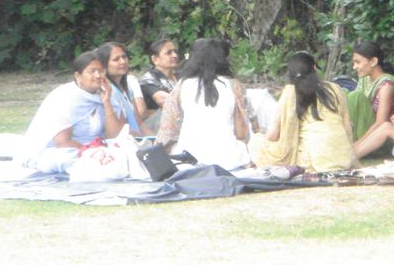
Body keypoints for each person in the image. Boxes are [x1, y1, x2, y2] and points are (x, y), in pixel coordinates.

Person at [250, 51, 357, 172]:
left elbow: (272, 136)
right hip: (344, 158)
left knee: (256, 142)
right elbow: (347, 128)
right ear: (315, 68)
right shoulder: (335, 88)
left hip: (312, 163)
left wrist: (260, 135)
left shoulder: (290, 93)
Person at [19, 51, 124, 172]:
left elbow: (114, 136)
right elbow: (61, 142)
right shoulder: (65, 96)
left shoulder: (108, 94)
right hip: (66, 150)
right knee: (64, 160)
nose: (98, 75)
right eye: (92, 71)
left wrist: (107, 104)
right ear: (78, 76)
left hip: (99, 149)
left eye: (101, 71)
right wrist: (90, 151)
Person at [156, 38, 250, 170]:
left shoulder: (182, 85)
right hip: (230, 160)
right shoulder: (235, 86)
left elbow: (168, 130)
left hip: (188, 162)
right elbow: (241, 132)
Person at [347, 41, 394, 148]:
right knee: (343, 92)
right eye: (354, 63)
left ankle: (352, 145)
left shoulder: (386, 85)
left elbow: (381, 123)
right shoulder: (364, 79)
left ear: (373, 61)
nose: (354, 67)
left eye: (358, 62)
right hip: (364, 133)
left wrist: (356, 145)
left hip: (381, 139)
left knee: (355, 96)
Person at [95, 41, 148, 135]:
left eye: (124, 57)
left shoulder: (127, 89)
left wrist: (156, 140)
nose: (123, 61)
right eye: (116, 59)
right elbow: (121, 129)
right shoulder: (106, 91)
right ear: (104, 65)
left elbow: (139, 122)